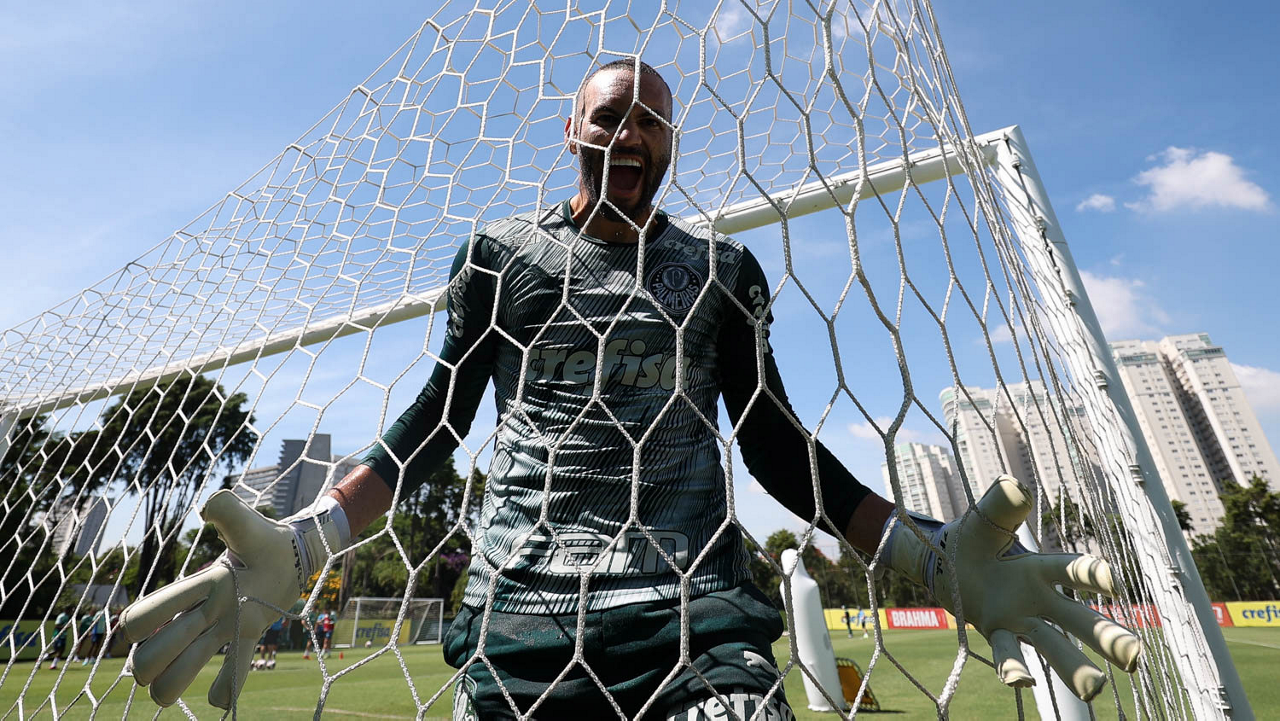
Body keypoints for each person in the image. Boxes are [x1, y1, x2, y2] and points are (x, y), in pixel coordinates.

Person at [118, 60, 1142, 714]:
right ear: (572, 130)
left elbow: (775, 444)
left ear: (670, 146)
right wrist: (309, 538)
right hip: (522, 618)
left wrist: (926, 554)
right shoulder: (500, 256)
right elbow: (436, 420)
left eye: (653, 121)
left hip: (697, 620)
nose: (633, 134)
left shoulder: (720, 272)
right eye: (612, 115)